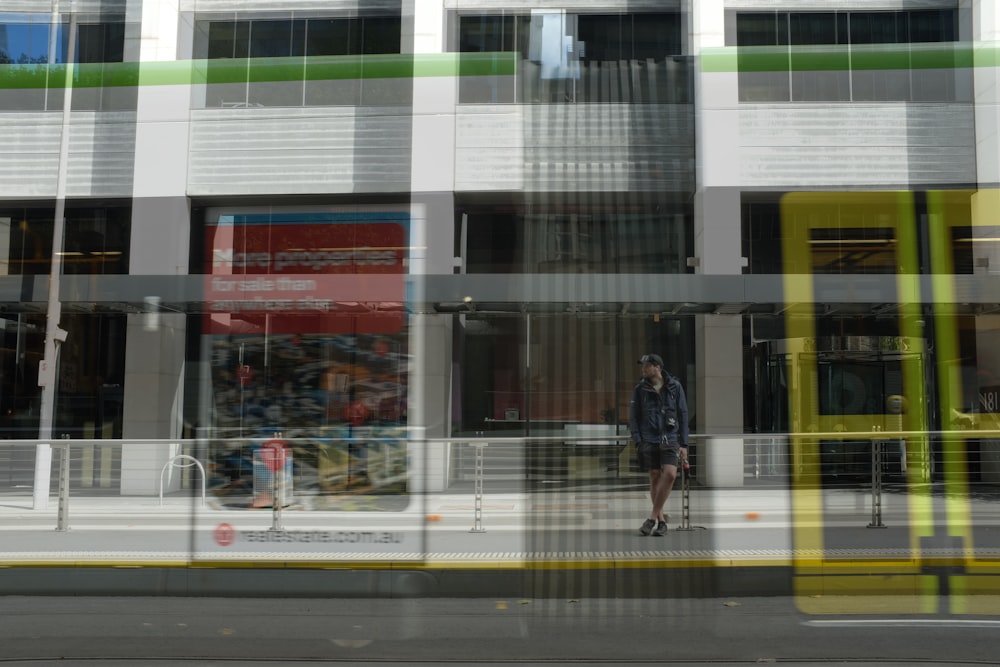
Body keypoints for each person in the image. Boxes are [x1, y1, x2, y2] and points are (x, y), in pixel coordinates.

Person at [629, 353, 689, 536]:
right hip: (648, 439)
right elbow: (634, 417)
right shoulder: (640, 389)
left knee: (670, 474)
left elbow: (683, 414)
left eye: (647, 365)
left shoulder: (674, 387)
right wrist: (638, 440)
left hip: (670, 438)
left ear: (658, 368)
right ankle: (661, 522)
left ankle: (652, 518)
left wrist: (684, 444)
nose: (643, 368)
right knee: (655, 477)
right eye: (643, 366)